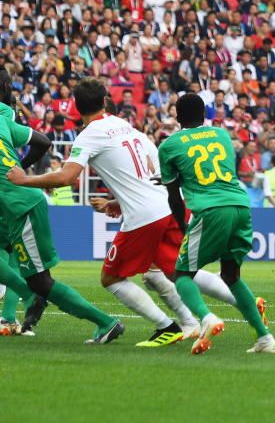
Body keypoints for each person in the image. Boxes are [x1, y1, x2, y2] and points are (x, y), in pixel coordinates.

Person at [8, 79, 247, 347]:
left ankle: (167, 326)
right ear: (105, 100)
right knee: (170, 271)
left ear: (76, 106)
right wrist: (117, 201)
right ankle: (225, 310)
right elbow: (152, 173)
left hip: (144, 216)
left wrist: (24, 179)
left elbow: (67, 177)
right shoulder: (126, 127)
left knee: (111, 278)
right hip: (168, 206)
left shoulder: (89, 134)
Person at [0, 86, 123, 344]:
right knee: (19, 264)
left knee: (41, 283)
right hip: (15, 203)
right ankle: (13, 311)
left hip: (20, 206)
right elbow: (42, 141)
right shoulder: (3, 117)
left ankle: (106, 323)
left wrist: (22, 179)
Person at [158, 94, 275, 354]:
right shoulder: (223, 135)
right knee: (231, 275)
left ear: (177, 117)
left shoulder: (168, 146)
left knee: (181, 275)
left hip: (211, 209)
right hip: (241, 205)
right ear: (205, 115)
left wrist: (181, 225)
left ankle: (207, 318)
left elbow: (173, 196)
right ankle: (265, 338)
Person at [0, 70, 47, 336]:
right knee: (13, 254)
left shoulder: (5, 112)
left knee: (7, 253)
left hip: (5, 187)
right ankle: (9, 317)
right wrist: (20, 167)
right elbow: (41, 142)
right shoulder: (9, 112)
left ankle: (14, 311)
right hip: (12, 186)